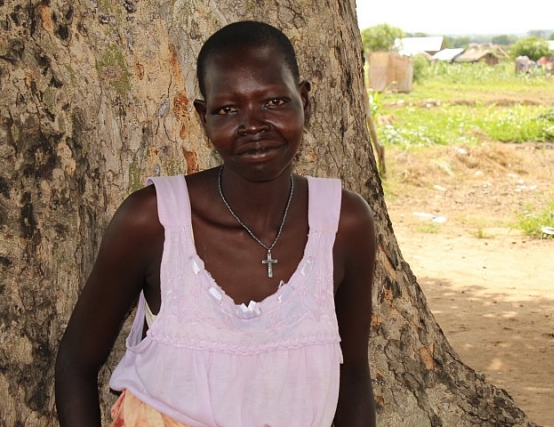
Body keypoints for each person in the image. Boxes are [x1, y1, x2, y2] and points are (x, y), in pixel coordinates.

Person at [55, 20, 376, 427]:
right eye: (228, 110)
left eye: (274, 102)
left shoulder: (344, 223)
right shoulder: (153, 220)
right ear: (204, 118)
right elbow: (75, 363)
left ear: (305, 102)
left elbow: (354, 374)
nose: (253, 125)